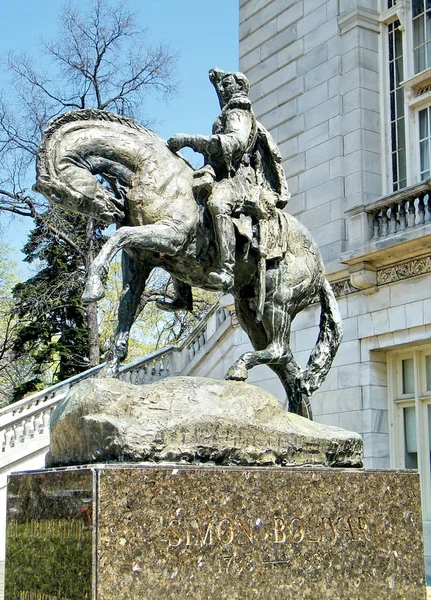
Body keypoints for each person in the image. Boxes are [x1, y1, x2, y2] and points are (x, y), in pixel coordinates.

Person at [168, 68, 289, 291]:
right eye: (221, 87)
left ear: (239, 88)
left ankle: (227, 269)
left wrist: (190, 140)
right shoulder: (227, 113)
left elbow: (234, 142)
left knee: (217, 203)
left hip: (241, 182)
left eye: (226, 86)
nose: (222, 90)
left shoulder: (239, 112)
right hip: (220, 176)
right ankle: (182, 293)